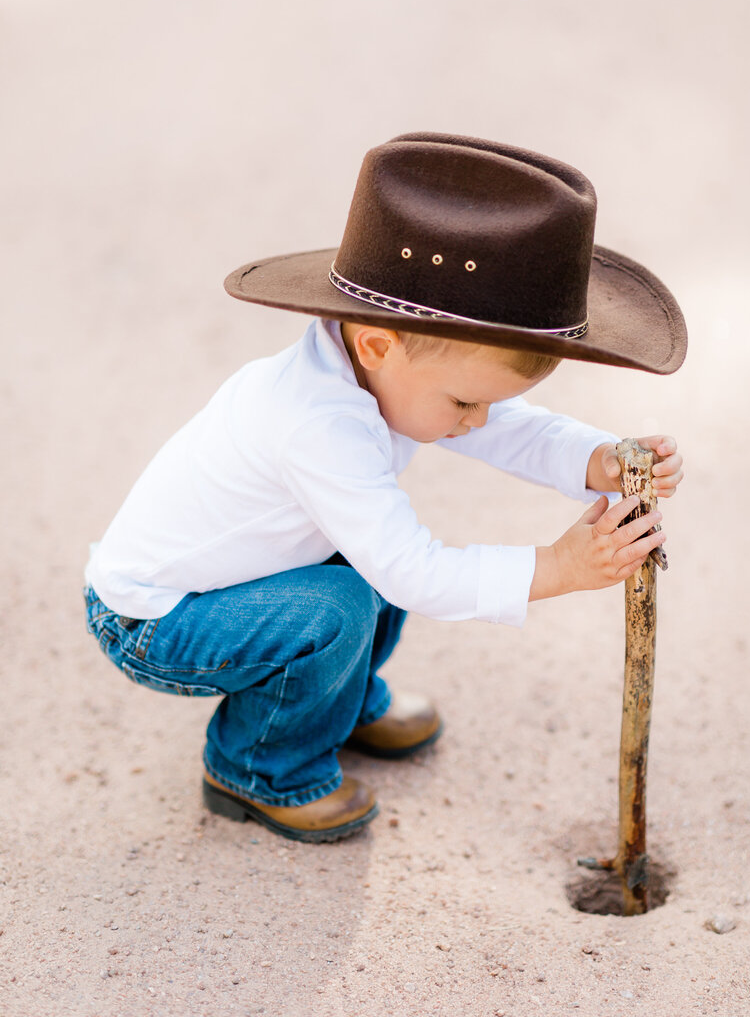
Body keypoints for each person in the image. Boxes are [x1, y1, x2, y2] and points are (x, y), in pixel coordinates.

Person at [84, 131, 686, 843]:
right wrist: (555, 568)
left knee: (358, 574)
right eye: (465, 403)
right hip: (155, 620)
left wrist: (595, 458)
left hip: (242, 581)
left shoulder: (390, 370)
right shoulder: (315, 424)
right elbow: (416, 572)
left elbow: (505, 427)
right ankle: (256, 767)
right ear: (377, 345)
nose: (476, 421)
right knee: (346, 597)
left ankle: (335, 703)